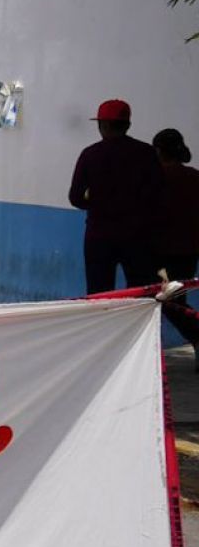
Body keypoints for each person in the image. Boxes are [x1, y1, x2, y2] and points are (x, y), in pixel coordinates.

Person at [68, 99, 161, 293]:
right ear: (127, 125)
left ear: (102, 125)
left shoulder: (90, 155)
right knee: (140, 294)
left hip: (99, 235)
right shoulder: (147, 154)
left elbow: (75, 197)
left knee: (99, 294)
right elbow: (158, 193)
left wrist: (97, 203)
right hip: (138, 236)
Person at [152, 127, 199, 359]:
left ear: (159, 151)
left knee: (166, 301)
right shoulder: (194, 177)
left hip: (162, 255)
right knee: (176, 301)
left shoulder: (156, 178)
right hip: (188, 251)